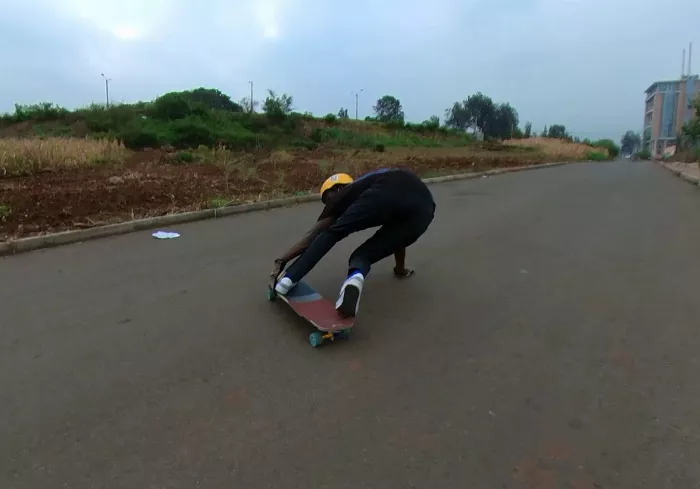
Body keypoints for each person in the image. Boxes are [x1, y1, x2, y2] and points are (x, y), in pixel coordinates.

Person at [269, 167, 436, 318]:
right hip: (425, 210)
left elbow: (316, 233)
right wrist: (400, 269)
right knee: (363, 256)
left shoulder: (347, 192)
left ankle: (288, 280)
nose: (330, 203)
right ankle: (354, 279)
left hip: (392, 184)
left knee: (333, 232)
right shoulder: (372, 181)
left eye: (328, 198)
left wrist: (282, 261)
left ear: (339, 188)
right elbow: (397, 241)